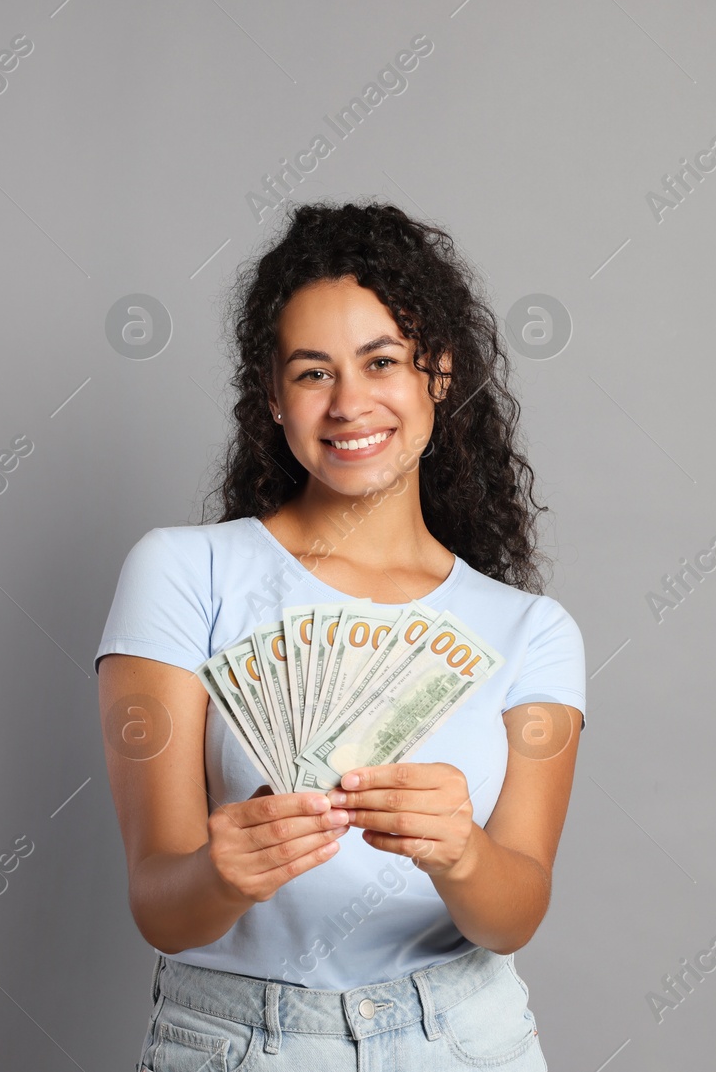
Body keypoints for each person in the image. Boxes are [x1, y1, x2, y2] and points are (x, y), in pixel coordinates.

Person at [96, 200, 586, 1071]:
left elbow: (517, 911)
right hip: (240, 1041)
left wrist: (462, 853)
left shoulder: (529, 630)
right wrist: (223, 869)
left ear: (437, 372)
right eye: (314, 372)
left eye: (382, 361)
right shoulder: (181, 574)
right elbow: (159, 906)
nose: (350, 402)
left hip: (464, 1040)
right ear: (274, 398)